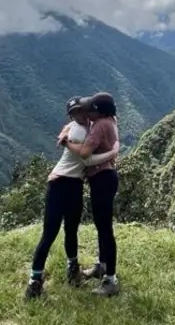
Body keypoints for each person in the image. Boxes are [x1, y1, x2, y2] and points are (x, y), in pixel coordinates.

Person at [25, 96, 119, 300]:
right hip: (60, 183)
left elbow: (78, 129)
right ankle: (35, 281)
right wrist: (112, 152)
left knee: (71, 230)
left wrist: (64, 133)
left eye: (81, 110)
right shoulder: (79, 131)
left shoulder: (91, 126)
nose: (79, 115)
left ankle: (72, 270)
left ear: (89, 111)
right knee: (50, 233)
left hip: (74, 184)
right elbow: (88, 157)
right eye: (74, 113)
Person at [64, 91, 120, 297]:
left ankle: (111, 280)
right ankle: (102, 265)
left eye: (91, 109)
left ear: (100, 112)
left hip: (102, 179)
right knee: (101, 226)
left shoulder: (99, 126)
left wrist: (66, 143)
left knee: (105, 229)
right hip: (107, 177)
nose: (88, 112)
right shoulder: (110, 120)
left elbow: (85, 153)